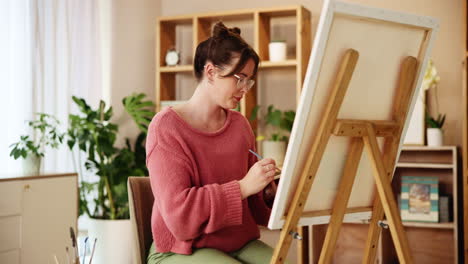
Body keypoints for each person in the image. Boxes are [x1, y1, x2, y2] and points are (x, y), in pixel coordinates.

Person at [145, 21, 281, 264]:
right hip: (181, 248)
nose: (245, 89)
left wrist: (270, 188)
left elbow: (255, 209)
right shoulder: (166, 127)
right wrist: (242, 187)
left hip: (237, 242)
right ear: (211, 72)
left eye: (249, 81)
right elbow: (179, 219)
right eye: (240, 78)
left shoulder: (240, 126)